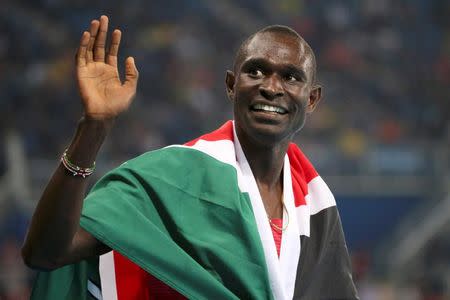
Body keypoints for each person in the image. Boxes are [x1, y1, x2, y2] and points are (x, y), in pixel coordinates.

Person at [22, 15, 358, 300]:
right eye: (255, 71)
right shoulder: (169, 177)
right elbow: (46, 252)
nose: (271, 87)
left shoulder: (316, 207)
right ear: (230, 84)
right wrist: (94, 127)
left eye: (291, 76)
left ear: (311, 99)